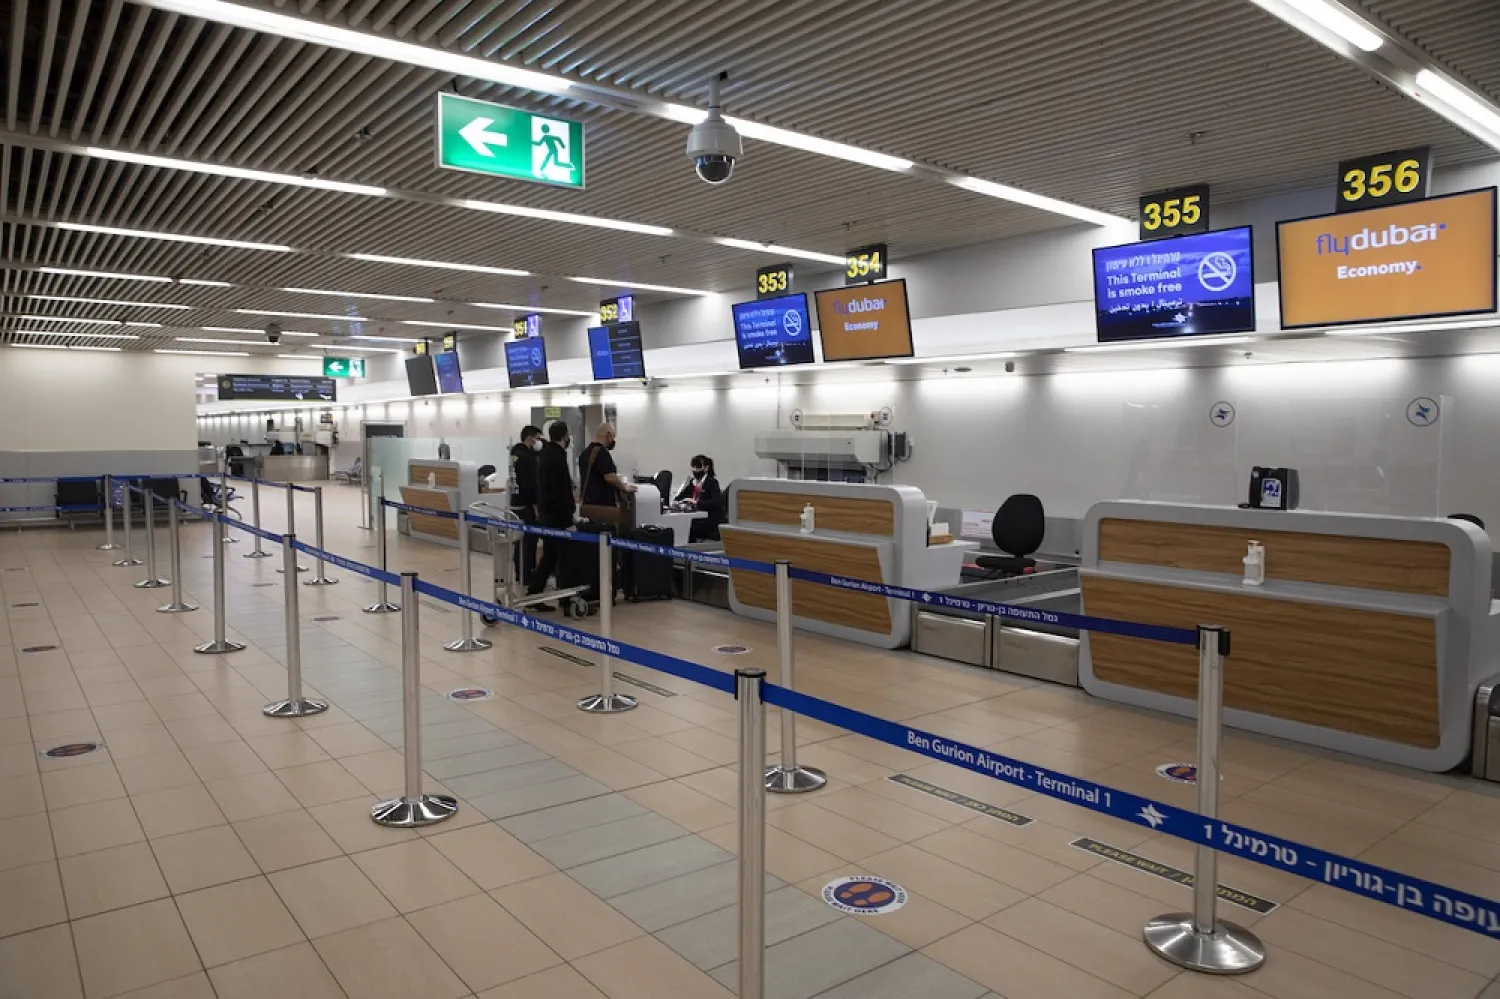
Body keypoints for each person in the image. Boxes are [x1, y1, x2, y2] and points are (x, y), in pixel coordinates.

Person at [527, 422, 576, 610]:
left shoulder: (546, 455)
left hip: (547, 515)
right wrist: (568, 520)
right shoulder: (556, 457)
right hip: (557, 518)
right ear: (565, 436)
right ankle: (567, 599)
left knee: (549, 557)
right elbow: (560, 492)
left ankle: (534, 593)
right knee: (565, 558)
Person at [577, 422, 635, 525]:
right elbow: (610, 478)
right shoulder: (601, 452)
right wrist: (625, 488)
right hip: (603, 507)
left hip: (588, 505)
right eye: (613, 436)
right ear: (608, 435)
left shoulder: (585, 453)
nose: (613, 440)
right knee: (605, 536)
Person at [508, 425, 544, 588]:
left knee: (519, 541)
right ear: (531, 438)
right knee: (529, 541)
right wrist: (536, 506)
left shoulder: (514, 454)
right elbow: (531, 485)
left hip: (515, 503)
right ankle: (527, 573)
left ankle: (519, 572)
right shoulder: (527, 458)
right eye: (538, 438)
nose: (539, 442)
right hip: (526, 506)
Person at [674, 454, 725, 542]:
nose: (695, 470)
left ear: (706, 468)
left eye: (698, 467)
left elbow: (717, 502)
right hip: (693, 516)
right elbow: (679, 497)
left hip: (708, 520)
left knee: (687, 526)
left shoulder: (712, 482)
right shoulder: (692, 482)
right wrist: (677, 502)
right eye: (693, 467)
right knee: (678, 523)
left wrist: (696, 503)